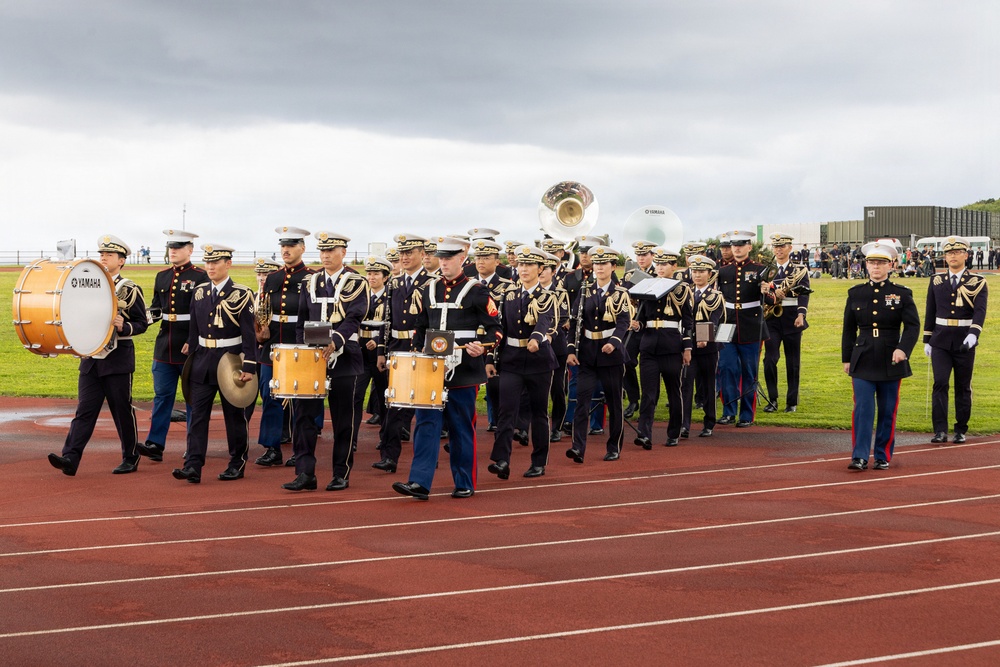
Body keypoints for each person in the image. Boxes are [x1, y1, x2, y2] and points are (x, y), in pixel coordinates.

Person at [392, 236, 502, 500]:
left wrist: (483, 347)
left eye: (449, 258)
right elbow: (420, 326)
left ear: (462, 258)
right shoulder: (428, 290)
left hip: (464, 370)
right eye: (441, 258)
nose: (443, 263)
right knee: (426, 424)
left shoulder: (477, 291)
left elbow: (495, 329)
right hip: (430, 369)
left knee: (461, 427)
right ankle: (419, 482)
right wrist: (417, 350)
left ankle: (465, 482)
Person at [48, 235, 149, 476]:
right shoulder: (87, 284)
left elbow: (142, 323)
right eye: (102, 254)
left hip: (117, 359)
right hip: (91, 360)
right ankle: (70, 458)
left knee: (121, 410)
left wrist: (125, 326)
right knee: (85, 411)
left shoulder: (130, 289)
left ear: (122, 261)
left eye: (109, 255)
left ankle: (130, 457)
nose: (103, 257)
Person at [282, 232, 368, 492]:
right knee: (304, 417)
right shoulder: (311, 281)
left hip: (345, 356)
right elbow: (300, 321)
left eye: (332, 251)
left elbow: (355, 316)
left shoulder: (356, 282)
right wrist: (302, 352)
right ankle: (305, 473)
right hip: (311, 359)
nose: (326, 256)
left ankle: (341, 473)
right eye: (323, 251)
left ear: (344, 251)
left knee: (343, 419)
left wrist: (337, 339)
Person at [171, 244, 257, 483]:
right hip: (203, 361)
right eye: (207, 262)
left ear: (228, 264)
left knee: (234, 417)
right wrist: (191, 347)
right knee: (197, 415)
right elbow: (195, 328)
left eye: (215, 262)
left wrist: (249, 366)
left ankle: (237, 462)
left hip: (231, 361)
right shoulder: (199, 292)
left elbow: (249, 334)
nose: (210, 267)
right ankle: (193, 465)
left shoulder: (242, 294)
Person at [842, 241, 920, 471]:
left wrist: (903, 349)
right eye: (872, 262)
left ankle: (883, 454)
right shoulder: (855, 293)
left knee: (887, 410)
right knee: (863, 408)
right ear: (866, 265)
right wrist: (846, 358)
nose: (875, 267)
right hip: (863, 355)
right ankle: (859, 456)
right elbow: (848, 329)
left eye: (881, 263)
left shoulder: (902, 294)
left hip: (890, 357)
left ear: (891, 265)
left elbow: (913, 327)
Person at [138, 229, 209, 463]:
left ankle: (193, 447)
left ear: (190, 249)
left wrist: (193, 339)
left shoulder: (200, 276)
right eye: (171, 247)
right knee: (162, 396)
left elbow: (204, 312)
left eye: (178, 247)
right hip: (165, 344)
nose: (173, 251)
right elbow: (156, 308)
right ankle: (155, 444)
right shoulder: (162, 276)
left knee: (192, 400)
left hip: (190, 345)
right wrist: (140, 319)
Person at [487, 245, 557, 479]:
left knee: (538, 413)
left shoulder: (548, 296)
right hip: (512, 360)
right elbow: (500, 329)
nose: (524, 269)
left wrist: (537, 338)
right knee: (506, 411)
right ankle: (502, 461)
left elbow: (545, 321)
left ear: (540, 269)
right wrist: (490, 357)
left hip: (538, 361)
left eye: (529, 265)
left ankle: (539, 462)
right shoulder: (509, 295)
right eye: (521, 264)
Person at [565, 246, 633, 463]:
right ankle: (578, 448)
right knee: (581, 400)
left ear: (614, 267)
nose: (600, 267)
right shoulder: (585, 290)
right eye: (597, 264)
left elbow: (624, 321)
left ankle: (614, 446)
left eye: (605, 264)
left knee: (613, 402)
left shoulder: (620, 293)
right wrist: (570, 350)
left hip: (611, 354)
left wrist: (614, 342)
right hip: (587, 353)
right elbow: (575, 321)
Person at [254, 227, 314, 468]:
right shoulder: (273, 278)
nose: (285, 250)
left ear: (302, 248)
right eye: (283, 246)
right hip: (272, 343)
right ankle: (272, 447)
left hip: (298, 343)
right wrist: (260, 330)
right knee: (269, 395)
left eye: (290, 246)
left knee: (298, 398)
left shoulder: (312, 277)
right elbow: (264, 308)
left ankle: (299, 449)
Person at [375, 234, 432, 472]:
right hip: (398, 349)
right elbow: (386, 320)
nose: (405, 258)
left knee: (424, 408)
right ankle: (389, 456)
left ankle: (428, 456)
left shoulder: (433, 282)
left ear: (422, 254)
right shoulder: (395, 283)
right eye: (402, 253)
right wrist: (381, 351)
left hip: (422, 350)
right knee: (394, 405)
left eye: (410, 253)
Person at [923, 236, 988, 444]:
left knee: (962, 386)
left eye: (957, 252)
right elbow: (930, 311)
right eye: (949, 253)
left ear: (966, 256)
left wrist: (973, 334)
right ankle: (940, 430)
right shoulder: (936, 280)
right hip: (940, 340)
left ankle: (960, 429)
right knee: (940, 383)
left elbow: (980, 311)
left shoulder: (977, 282)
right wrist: (927, 339)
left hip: (963, 341)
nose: (953, 256)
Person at [633, 247, 693, 448]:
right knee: (648, 393)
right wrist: (637, 324)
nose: (660, 267)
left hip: (671, 345)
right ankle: (644, 433)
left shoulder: (682, 289)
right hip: (649, 345)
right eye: (657, 263)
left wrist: (687, 348)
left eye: (664, 264)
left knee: (673, 392)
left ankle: (674, 432)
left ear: (674, 266)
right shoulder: (647, 286)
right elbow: (642, 316)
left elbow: (688, 322)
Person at [716, 230, 775, 427]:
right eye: (734, 245)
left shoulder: (760, 270)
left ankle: (746, 415)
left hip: (751, 326)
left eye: (741, 245)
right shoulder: (722, 271)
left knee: (749, 371)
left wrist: (766, 291)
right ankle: (728, 411)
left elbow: (771, 300)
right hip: (727, 325)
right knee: (726, 367)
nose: (737, 248)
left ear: (749, 247)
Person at [762, 233, 810, 414]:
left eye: (782, 246)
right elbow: (761, 292)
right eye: (776, 247)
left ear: (790, 248)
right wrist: (771, 293)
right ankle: (772, 399)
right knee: (769, 360)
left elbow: (804, 293)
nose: (779, 250)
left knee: (793, 362)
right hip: (771, 319)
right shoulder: (767, 270)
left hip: (791, 318)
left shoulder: (799, 270)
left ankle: (791, 402)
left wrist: (801, 315)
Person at [470, 239, 514, 431]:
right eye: (478, 257)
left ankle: (498, 425)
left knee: (496, 389)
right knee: (467, 388)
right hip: (471, 342)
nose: (481, 262)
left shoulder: (507, 286)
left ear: (497, 261)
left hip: (496, 343)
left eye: (486, 258)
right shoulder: (468, 284)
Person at [682, 254, 726, 437]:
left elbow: (715, 319)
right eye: (695, 271)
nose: (697, 275)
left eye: (701, 272)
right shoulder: (685, 293)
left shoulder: (715, 295)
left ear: (710, 274)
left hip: (708, 348)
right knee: (686, 385)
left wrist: (703, 337)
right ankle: (684, 425)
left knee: (708, 385)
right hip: (688, 347)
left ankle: (709, 422)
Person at [353, 255, 390, 440]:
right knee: (356, 395)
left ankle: (386, 438)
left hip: (380, 353)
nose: (371, 277)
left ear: (385, 277)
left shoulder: (390, 297)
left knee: (385, 397)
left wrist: (378, 338)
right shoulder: (361, 296)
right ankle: (351, 439)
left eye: (376, 273)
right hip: (361, 351)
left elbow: (391, 323)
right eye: (369, 273)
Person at [621, 240, 657, 419]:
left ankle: (650, 400)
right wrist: (628, 320)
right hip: (632, 327)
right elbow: (623, 299)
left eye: (645, 254)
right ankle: (634, 399)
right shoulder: (629, 275)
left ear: (652, 256)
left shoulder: (658, 274)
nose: (641, 258)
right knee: (626, 360)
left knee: (650, 367)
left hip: (651, 327)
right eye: (639, 255)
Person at [540, 250, 571, 442]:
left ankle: (557, 426)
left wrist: (546, 334)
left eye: (546, 269)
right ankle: (525, 426)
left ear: (553, 271)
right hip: (532, 347)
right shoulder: (527, 289)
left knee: (558, 389)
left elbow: (562, 318)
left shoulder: (560, 293)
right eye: (540, 269)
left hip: (556, 346)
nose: (542, 272)